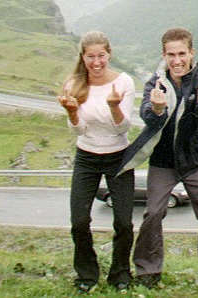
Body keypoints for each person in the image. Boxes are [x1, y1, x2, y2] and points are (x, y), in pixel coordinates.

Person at [117, 27, 198, 291]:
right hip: (164, 160)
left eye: (182, 53)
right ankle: (148, 272)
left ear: (192, 53)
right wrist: (157, 108)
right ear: (164, 55)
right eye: (171, 54)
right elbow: (148, 115)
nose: (177, 60)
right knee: (153, 213)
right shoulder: (155, 82)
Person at [58, 30, 136, 294]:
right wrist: (71, 112)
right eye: (90, 56)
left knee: (124, 223)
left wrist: (114, 106)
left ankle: (121, 274)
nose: (96, 62)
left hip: (119, 157)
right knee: (79, 221)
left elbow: (122, 128)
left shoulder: (124, 82)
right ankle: (86, 275)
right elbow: (78, 131)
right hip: (87, 158)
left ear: (109, 54)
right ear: (83, 56)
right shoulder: (74, 84)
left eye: (101, 55)